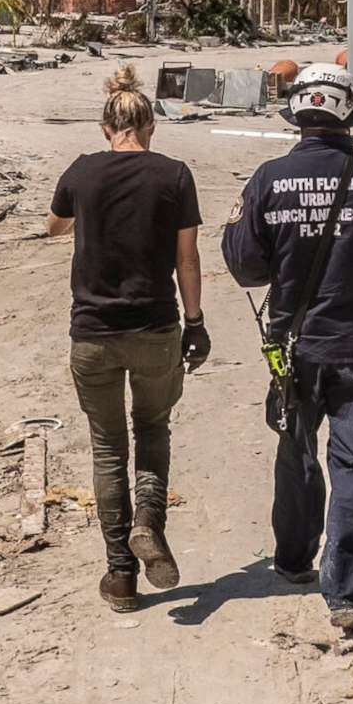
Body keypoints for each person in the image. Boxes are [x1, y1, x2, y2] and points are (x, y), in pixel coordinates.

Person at [222, 63, 353, 635]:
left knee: (296, 451)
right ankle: (346, 593)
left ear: (296, 118)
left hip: (294, 347)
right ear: (350, 117)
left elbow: (244, 266)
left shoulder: (268, 179)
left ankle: (292, 560)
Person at [47, 66, 211, 611]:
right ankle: (149, 520)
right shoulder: (175, 175)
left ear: (105, 126)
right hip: (155, 327)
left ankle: (120, 576)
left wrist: (87, 212)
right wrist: (196, 322)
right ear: (151, 126)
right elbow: (187, 259)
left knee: (107, 447)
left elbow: (55, 226)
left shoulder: (83, 172)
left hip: (92, 333)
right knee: (154, 429)